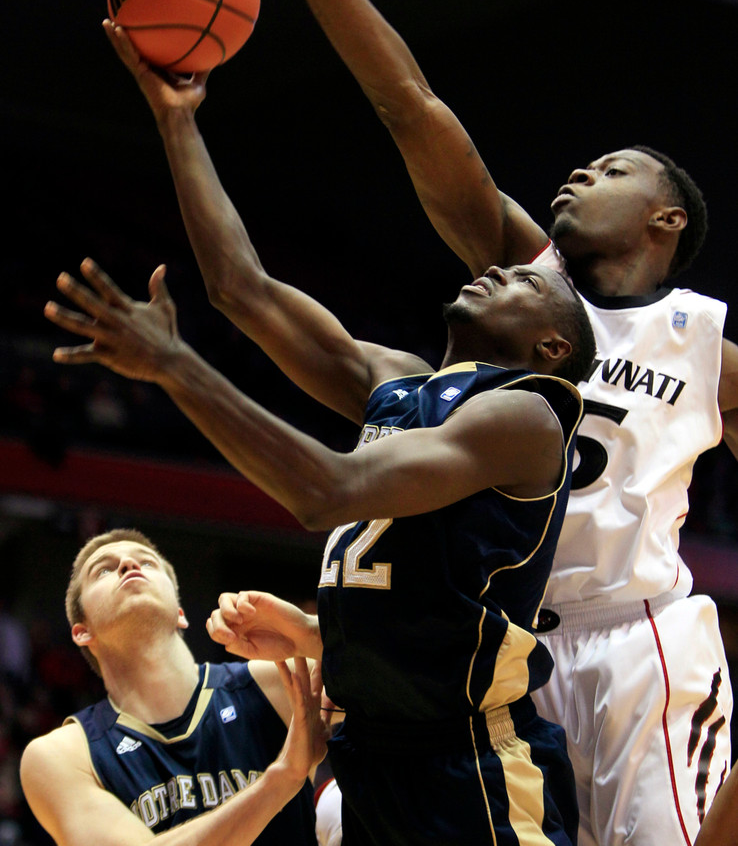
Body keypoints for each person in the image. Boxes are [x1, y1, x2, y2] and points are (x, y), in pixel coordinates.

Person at [184, 0, 738, 844]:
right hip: (500, 655)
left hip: (636, 644)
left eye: (614, 169)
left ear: (668, 221)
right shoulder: (526, 277)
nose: (579, 173)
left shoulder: (708, 342)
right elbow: (407, 103)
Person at [42, 177, 595, 846]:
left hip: (466, 757)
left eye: (526, 285)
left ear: (552, 348)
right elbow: (238, 286)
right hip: (374, 754)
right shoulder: (394, 383)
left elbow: (327, 492)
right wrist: (176, 113)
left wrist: (174, 366)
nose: (500, 271)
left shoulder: (526, 413)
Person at [19, 527, 325, 846]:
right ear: (82, 632)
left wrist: (308, 634)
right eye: (105, 570)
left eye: (147, 562)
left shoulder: (275, 682)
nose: (128, 564)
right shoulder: (63, 754)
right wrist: (282, 779)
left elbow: (376, 670)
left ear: (180, 613)